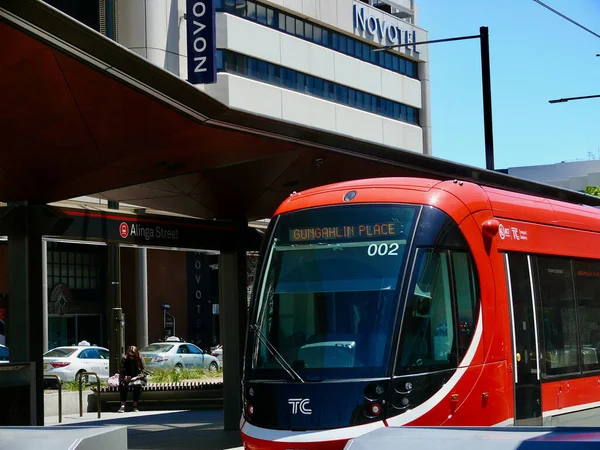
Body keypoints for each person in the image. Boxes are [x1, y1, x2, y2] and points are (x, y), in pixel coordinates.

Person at [118, 345, 147, 413]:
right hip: (128, 377)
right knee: (122, 385)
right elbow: (121, 371)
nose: (131, 357)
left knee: (137, 386)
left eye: (133, 356)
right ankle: (123, 405)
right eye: (130, 356)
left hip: (139, 377)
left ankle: (135, 405)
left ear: (136, 355)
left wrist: (136, 377)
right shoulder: (124, 359)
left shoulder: (140, 358)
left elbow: (144, 372)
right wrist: (124, 377)